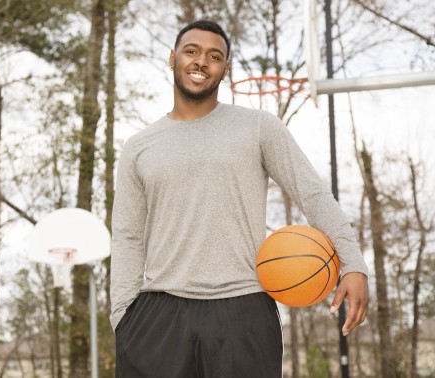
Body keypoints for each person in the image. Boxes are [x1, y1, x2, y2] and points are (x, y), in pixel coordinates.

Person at [110, 20, 369, 377]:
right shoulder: (138, 147)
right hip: (158, 315)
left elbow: (313, 195)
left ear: (225, 69)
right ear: (172, 58)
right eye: (191, 51)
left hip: (242, 312)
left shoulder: (259, 127)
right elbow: (127, 236)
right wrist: (123, 317)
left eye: (214, 56)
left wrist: (353, 263)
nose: (201, 62)